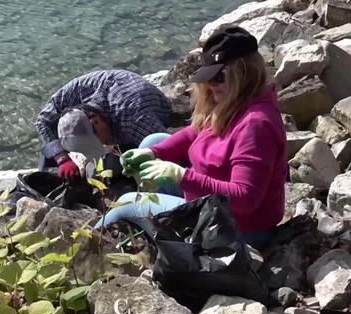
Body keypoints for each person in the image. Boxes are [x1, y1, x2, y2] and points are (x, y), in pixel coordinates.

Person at [97, 25, 288, 251]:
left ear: (244, 75)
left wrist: (181, 176)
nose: (209, 85)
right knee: (153, 142)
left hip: (239, 227)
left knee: (126, 203)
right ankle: (164, 225)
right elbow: (195, 133)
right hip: (213, 199)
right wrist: (152, 153)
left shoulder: (256, 125)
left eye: (218, 77)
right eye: (208, 77)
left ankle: (91, 244)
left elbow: (245, 198)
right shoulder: (234, 102)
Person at [35, 70, 173, 180]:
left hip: (147, 106)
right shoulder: (78, 90)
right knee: (49, 143)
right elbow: (42, 121)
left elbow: (168, 152)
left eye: (93, 144)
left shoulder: (135, 121)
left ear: (96, 122)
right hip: (114, 89)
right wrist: (62, 158)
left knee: (108, 170)